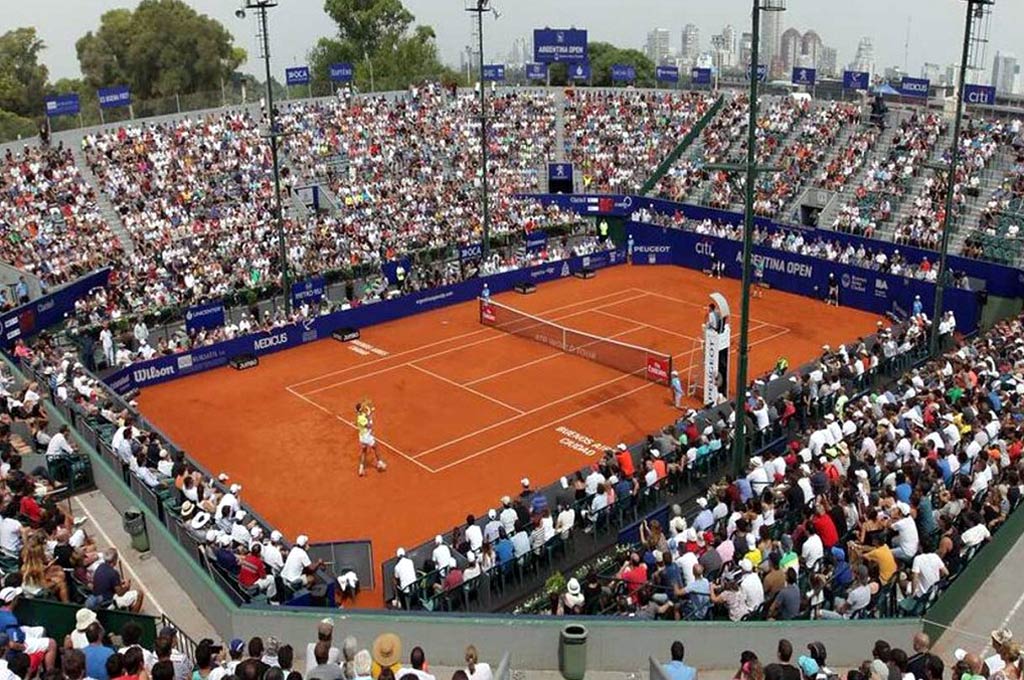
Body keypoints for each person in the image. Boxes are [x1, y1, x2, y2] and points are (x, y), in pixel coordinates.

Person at [356, 402, 386, 477]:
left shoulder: (360, 415)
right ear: (360, 409)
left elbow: (366, 415)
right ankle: (380, 463)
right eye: (362, 407)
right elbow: (368, 425)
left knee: (364, 452)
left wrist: (370, 412)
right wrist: (370, 418)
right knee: (376, 447)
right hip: (367, 437)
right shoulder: (361, 419)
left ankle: (361, 468)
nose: (363, 407)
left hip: (362, 437)